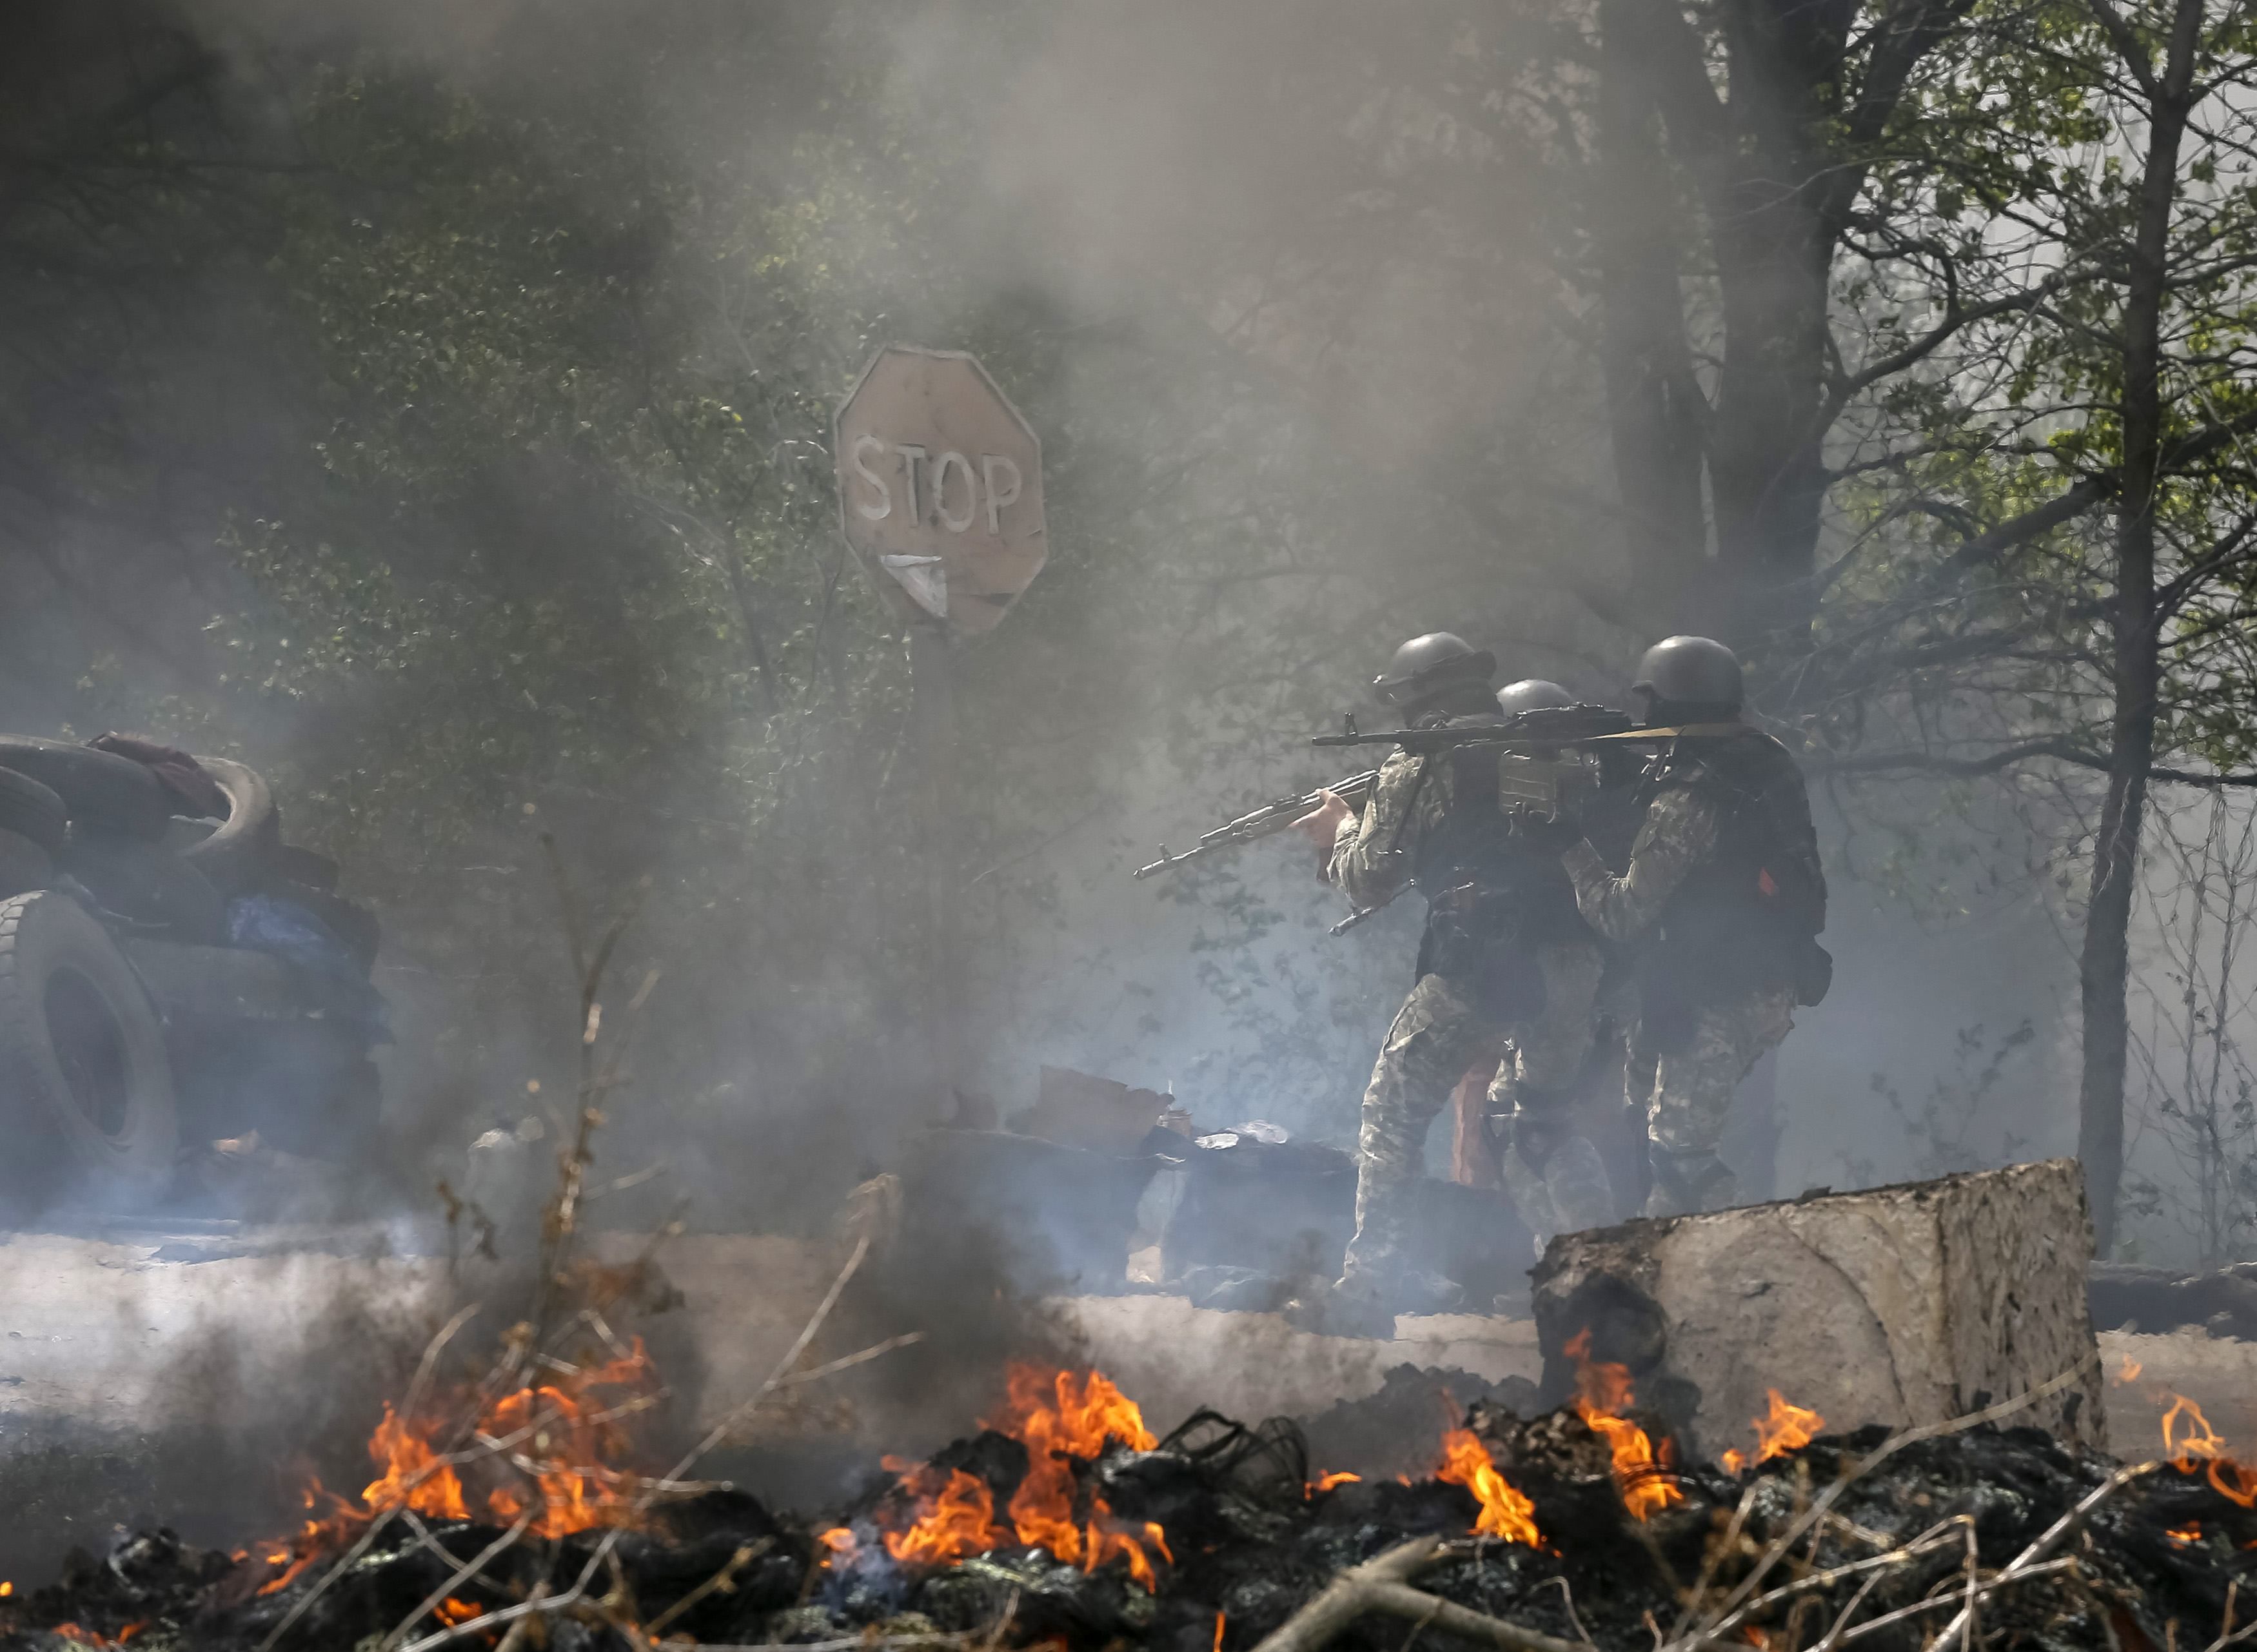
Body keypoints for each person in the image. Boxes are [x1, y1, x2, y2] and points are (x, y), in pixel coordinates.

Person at [1288, 637, 1613, 1336]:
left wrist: (1339, 829)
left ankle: (1368, 1292)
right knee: (1540, 1119)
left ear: (1411, 696)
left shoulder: (1421, 761)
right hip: (1575, 960)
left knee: (1391, 1118)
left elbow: (1368, 877)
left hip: (1482, 958)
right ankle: (1601, 1287)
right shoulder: (1561, 756)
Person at [1552, 636, 1828, 1217]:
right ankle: (1662, 1282)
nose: (1647, 718)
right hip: (1754, 981)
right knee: (1655, 1151)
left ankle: (1768, 1259)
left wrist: (1566, 843)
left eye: (1654, 704)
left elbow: (1622, 914)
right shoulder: (1761, 757)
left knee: (1680, 1158)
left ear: (1676, 705)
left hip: (1721, 993)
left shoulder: (1688, 800)